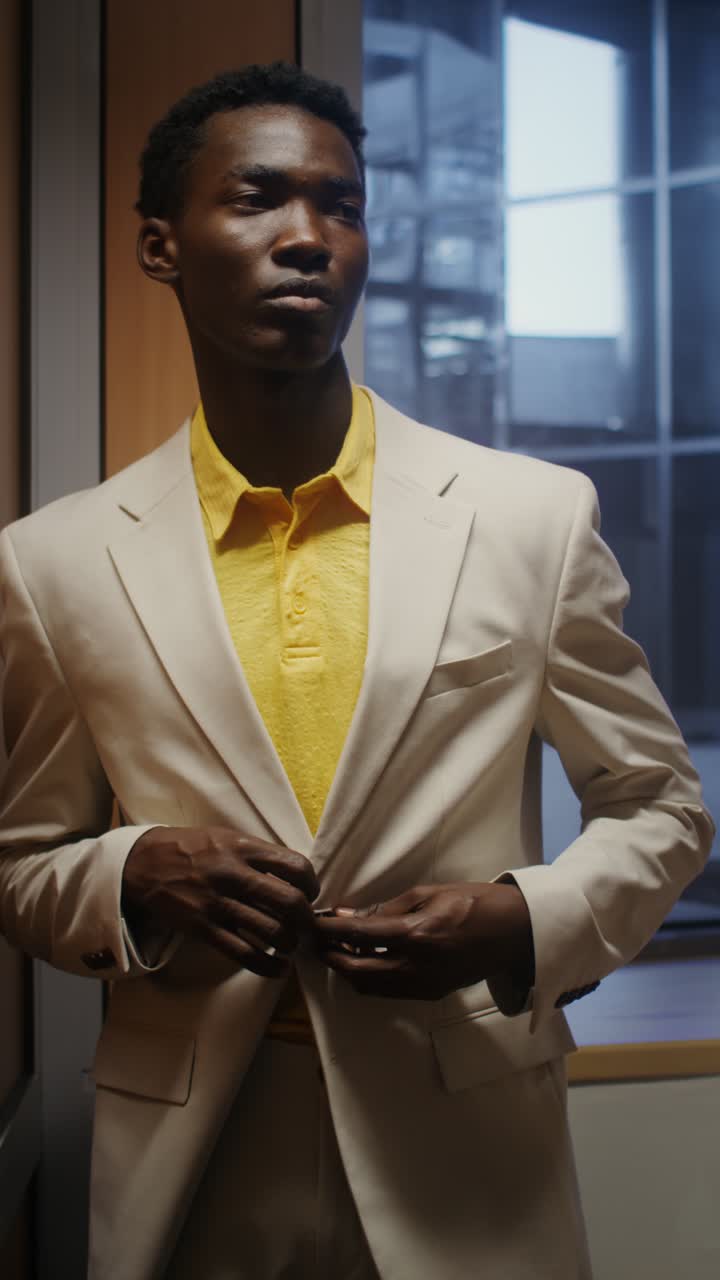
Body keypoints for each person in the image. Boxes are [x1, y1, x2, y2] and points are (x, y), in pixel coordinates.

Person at [0, 61, 714, 1280]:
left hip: (468, 1142)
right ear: (161, 246)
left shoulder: (529, 515)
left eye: (341, 205)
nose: (309, 238)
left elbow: (659, 803)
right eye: (260, 199)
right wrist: (135, 868)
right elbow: (25, 865)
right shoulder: (54, 562)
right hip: (199, 1153)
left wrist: (519, 918)